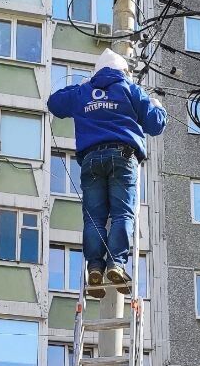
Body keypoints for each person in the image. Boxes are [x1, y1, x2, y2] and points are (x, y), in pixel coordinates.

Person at [47, 49, 167, 297]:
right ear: (123, 71)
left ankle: (94, 266)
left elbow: (54, 103)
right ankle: (116, 263)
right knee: (123, 213)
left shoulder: (83, 91)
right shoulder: (130, 89)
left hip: (91, 158)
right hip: (122, 156)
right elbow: (155, 124)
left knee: (94, 218)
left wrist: (80, 87)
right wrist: (157, 105)